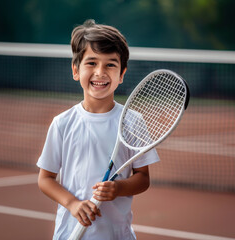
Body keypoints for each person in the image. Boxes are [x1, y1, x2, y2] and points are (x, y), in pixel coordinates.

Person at [37, 19, 159, 240]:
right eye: (91, 63)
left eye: (110, 64)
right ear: (76, 70)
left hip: (117, 235)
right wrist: (72, 203)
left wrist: (118, 188)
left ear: (121, 74)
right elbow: (45, 179)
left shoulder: (132, 121)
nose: (100, 72)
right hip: (70, 233)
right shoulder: (62, 123)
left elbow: (143, 178)